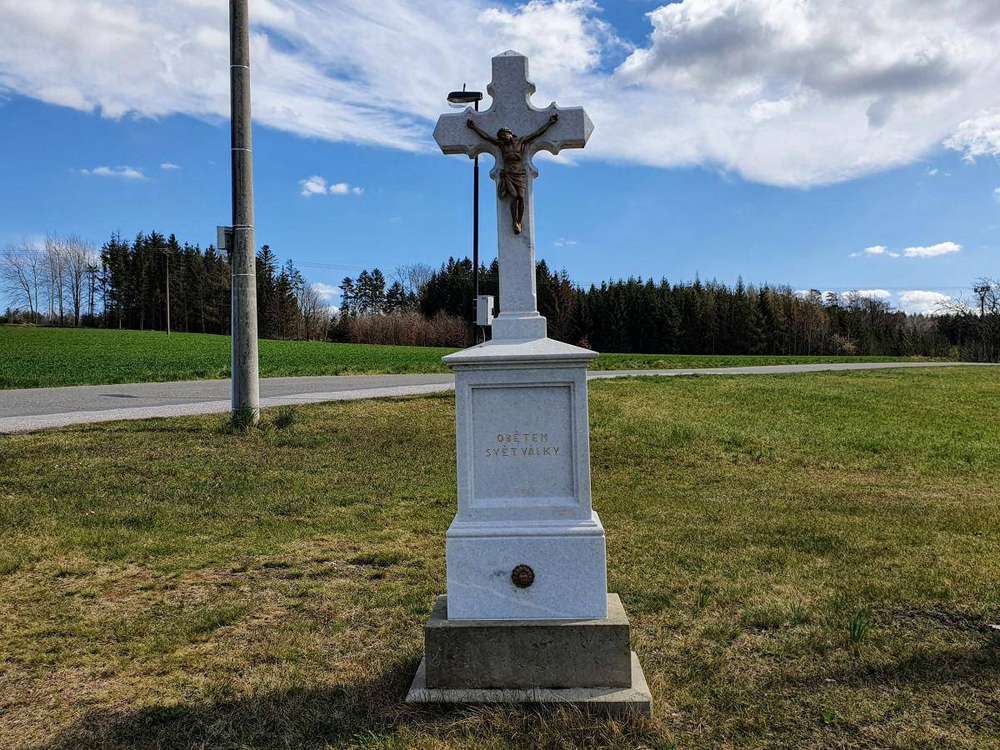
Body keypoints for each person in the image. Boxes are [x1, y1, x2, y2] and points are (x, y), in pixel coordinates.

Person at [466, 113, 559, 234]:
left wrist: (550, 123)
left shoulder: (521, 141)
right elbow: (487, 138)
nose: (503, 138)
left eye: (504, 135)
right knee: (514, 196)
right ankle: (514, 222)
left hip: (519, 174)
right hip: (508, 174)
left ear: (510, 133)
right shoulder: (502, 145)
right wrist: (474, 128)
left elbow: (537, 133)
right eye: (501, 137)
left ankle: (519, 221)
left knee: (521, 197)